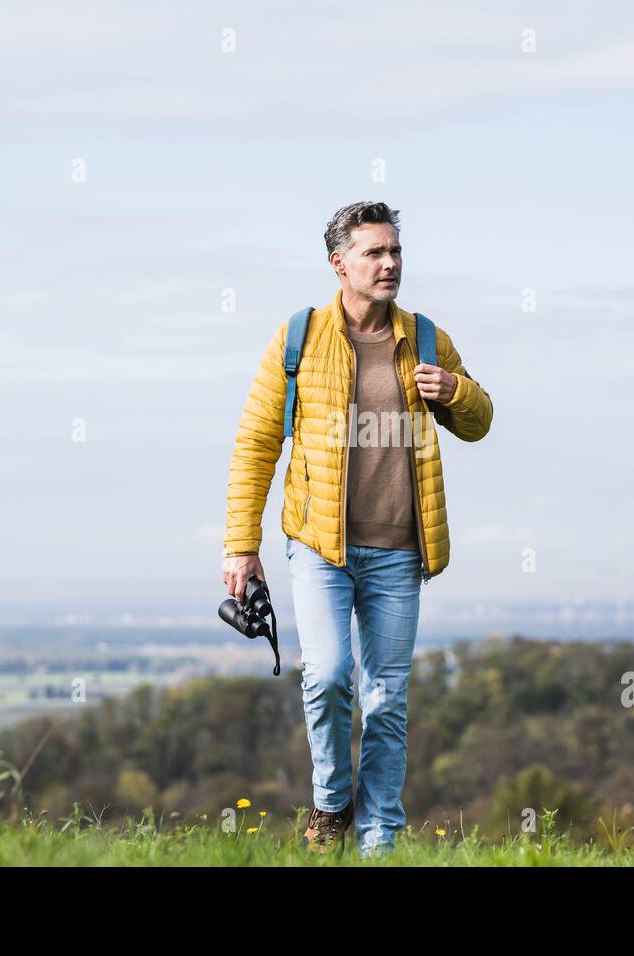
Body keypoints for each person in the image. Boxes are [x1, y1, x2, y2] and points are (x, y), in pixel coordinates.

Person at [221, 200, 493, 857]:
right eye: (374, 252)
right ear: (339, 263)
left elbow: (480, 420)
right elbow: (257, 442)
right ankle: (332, 806)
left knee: (387, 701)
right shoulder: (298, 339)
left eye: (395, 251)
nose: (390, 263)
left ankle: (380, 843)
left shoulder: (425, 339)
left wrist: (455, 391)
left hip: (400, 550)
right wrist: (240, 546)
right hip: (319, 547)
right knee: (330, 676)